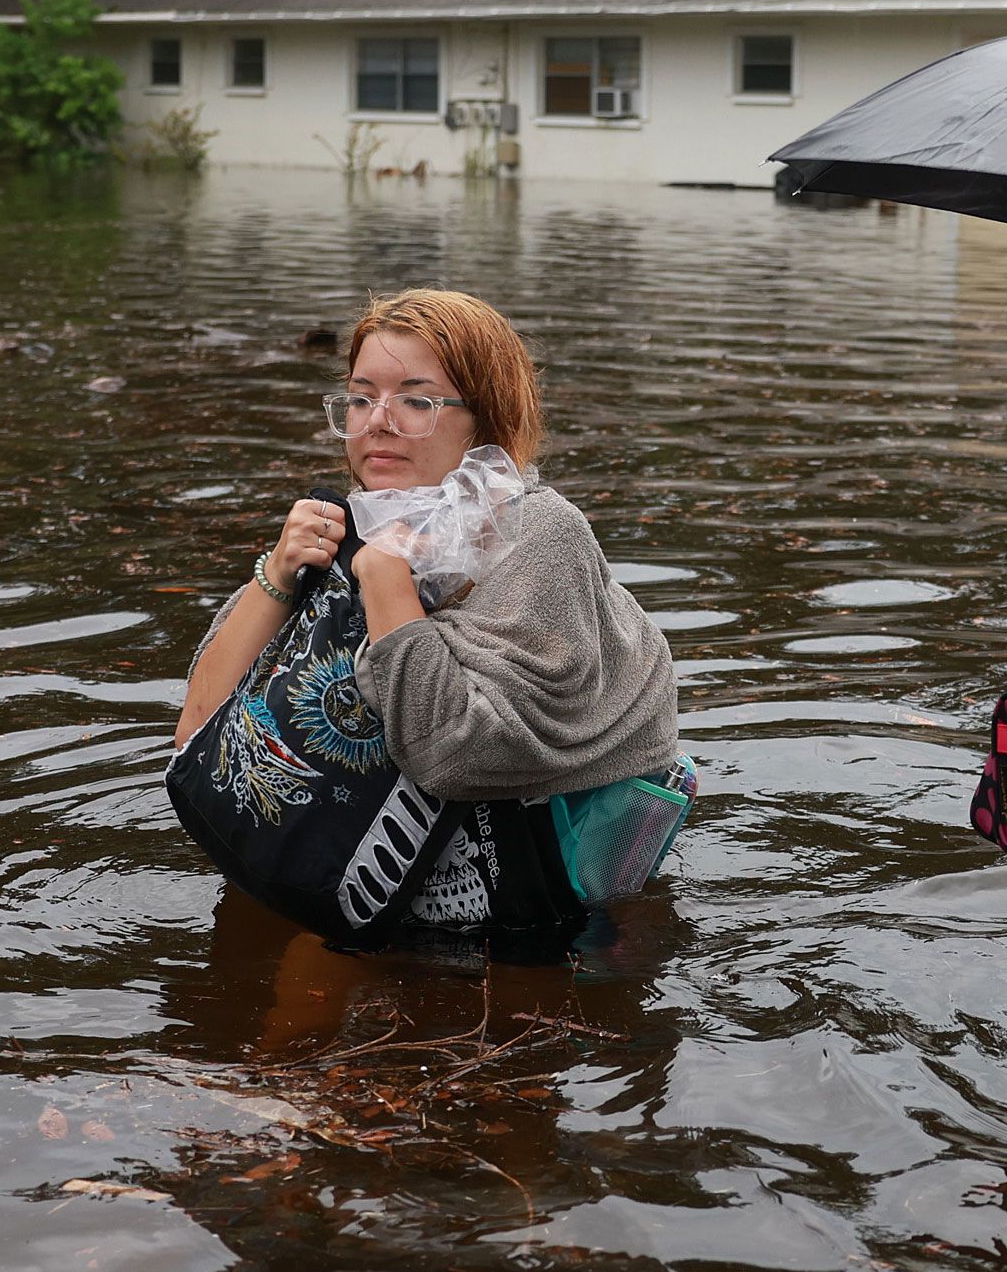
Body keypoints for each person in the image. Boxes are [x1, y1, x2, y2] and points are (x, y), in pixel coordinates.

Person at [173, 288, 678, 932]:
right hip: (358, 877)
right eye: (361, 398)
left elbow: (457, 757)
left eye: (418, 400)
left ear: (484, 422)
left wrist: (386, 582)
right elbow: (198, 736)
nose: (378, 420)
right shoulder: (343, 525)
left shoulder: (538, 533)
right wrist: (275, 575)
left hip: (539, 902)